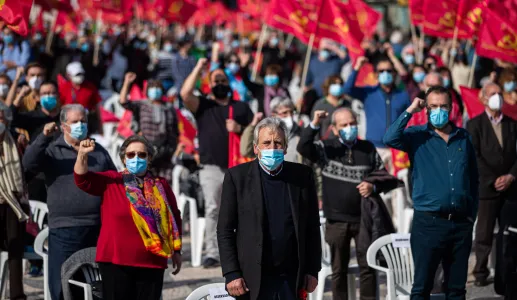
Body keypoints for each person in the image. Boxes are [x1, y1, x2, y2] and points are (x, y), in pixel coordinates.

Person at [383, 87, 478, 299]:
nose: (439, 111)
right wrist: (410, 110)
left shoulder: (463, 137)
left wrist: (472, 215)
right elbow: (389, 137)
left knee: (456, 289)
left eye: (443, 106)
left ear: (451, 108)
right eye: (433, 106)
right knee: (422, 287)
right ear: (426, 109)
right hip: (429, 223)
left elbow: (473, 179)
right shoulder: (417, 136)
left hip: (461, 223)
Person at [218, 117, 321, 300]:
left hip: (290, 278)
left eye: (278, 143)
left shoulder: (302, 176)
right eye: (266, 143)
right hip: (251, 279)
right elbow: (225, 229)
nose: (272, 148)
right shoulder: (237, 177)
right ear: (256, 148)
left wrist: (313, 269)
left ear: (285, 148)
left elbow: (312, 226)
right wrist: (232, 273)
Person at [22, 104, 116, 300]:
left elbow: (113, 183)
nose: (80, 125)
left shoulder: (98, 151)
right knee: (62, 284)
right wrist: (44, 137)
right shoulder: (52, 150)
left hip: (98, 227)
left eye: (83, 121)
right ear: (64, 126)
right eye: (75, 122)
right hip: (65, 229)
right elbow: (28, 164)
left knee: (98, 284)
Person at [73, 135, 182, 300]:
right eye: (131, 155)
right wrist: (82, 154)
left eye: (142, 154)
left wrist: (176, 250)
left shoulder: (161, 185)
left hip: (152, 261)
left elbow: (174, 216)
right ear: (124, 159)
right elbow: (82, 180)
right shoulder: (112, 180)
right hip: (116, 262)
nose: (136, 158)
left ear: (149, 158)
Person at [297, 108, 385, 300]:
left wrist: (373, 186)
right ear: (335, 129)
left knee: (368, 266)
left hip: (364, 219)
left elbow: (383, 175)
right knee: (339, 270)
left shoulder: (367, 148)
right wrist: (314, 124)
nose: (349, 128)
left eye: (352, 123)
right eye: (344, 125)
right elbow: (303, 147)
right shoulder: (326, 148)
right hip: (336, 220)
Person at [180, 58, 253, 268]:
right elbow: (185, 94)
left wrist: (239, 129)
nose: (220, 83)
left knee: (241, 209)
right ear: (210, 85)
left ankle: (240, 251)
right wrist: (197, 68)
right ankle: (213, 252)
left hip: (237, 166)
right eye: (216, 80)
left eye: (223, 79)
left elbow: (256, 132)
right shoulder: (204, 105)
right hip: (211, 167)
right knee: (213, 209)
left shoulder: (240, 107)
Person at [466, 82, 517, 287]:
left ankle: (506, 273)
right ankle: (480, 271)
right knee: (484, 233)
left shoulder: (512, 124)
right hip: (487, 187)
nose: (497, 97)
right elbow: (475, 156)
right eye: (493, 94)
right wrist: (492, 180)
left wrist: (511, 176)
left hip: (511, 187)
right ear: (484, 98)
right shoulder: (474, 125)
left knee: (508, 233)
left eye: (499, 93)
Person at [344, 56, 411, 174]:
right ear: (376, 74)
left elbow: (411, 120)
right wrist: (357, 67)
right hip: (375, 148)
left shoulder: (403, 95)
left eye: (389, 71)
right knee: (376, 185)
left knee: (399, 188)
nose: (385, 73)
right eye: (381, 71)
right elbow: (347, 89)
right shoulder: (368, 92)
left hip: (397, 150)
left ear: (394, 73)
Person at [119, 72, 179, 183]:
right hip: (145, 151)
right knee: (143, 182)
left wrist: (174, 150)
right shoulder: (142, 105)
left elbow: (175, 131)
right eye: (152, 87)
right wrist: (127, 82)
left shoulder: (169, 108)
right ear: (147, 90)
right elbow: (123, 102)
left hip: (165, 154)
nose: (155, 90)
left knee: (163, 184)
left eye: (157, 87)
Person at [0, 101, 29, 300]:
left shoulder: (17, 140)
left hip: (13, 201)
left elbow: (26, 171)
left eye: (1, 117)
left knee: (15, 249)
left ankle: (17, 295)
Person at [241, 97, 303, 163]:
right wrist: (253, 125)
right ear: (274, 115)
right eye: (285, 113)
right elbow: (246, 151)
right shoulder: (265, 133)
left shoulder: (300, 132)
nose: (289, 116)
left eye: (291, 112)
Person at [58, 62, 102, 134]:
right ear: (69, 75)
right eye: (77, 74)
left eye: (81, 74)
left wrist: (100, 127)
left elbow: (97, 107)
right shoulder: (63, 87)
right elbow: (59, 105)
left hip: (86, 122)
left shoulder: (90, 87)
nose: (80, 76)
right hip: (69, 122)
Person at [310, 75, 351, 140]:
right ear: (328, 86)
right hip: (326, 145)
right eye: (334, 83)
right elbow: (315, 127)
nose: (338, 86)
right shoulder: (320, 105)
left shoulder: (346, 104)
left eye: (340, 84)